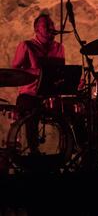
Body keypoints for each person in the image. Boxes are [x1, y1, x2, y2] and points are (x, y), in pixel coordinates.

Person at [12, 13, 65, 154]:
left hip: (50, 95)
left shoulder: (59, 47)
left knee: (71, 111)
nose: (51, 27)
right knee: (31, 111)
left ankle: (69, 149)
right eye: (46, 25)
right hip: (30, 94)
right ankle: (33, 151)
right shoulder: (26, 45)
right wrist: (35, 72)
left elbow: (60, 72)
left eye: (52, 24)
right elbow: (14, 71)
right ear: (36, 29)